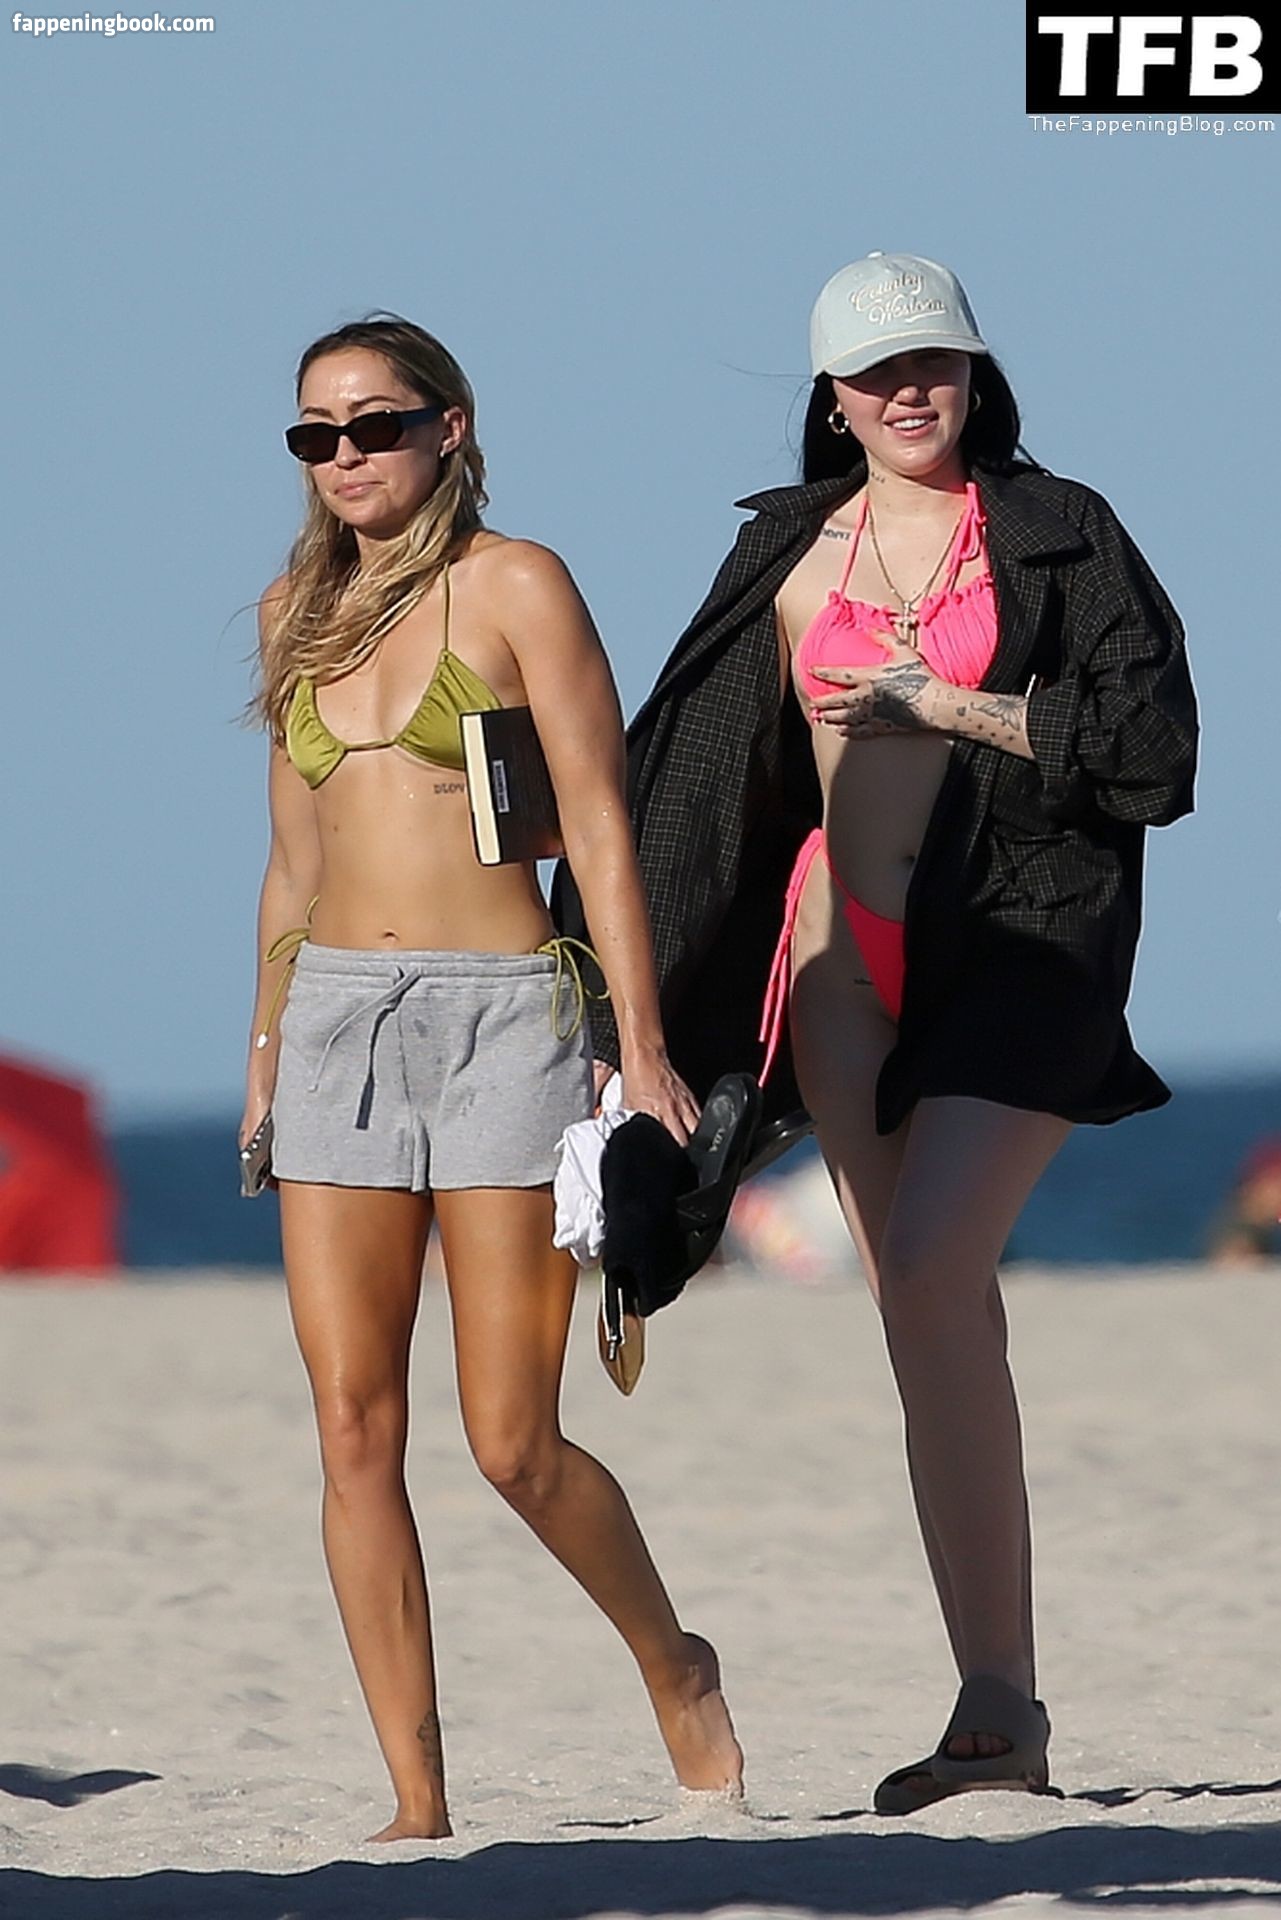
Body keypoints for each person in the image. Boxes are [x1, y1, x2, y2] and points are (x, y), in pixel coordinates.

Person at [554, 252, 1198, 1810]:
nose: (910, 391)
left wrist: (947, 705)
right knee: (929, 1323)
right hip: (837, 967)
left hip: (1020, 949)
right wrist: (624, 1016)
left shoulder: (1059, 532)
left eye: (934, 362)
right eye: (875, 371)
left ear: (975, 373)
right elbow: (682, 787)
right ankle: (1001, 1708)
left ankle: (992, 1696)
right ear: (831, 398)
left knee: (924, 1266)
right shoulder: (782, 552)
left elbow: (1151, 753)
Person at [242, 314, 742, 1840]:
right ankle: (417, 1801)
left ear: (448, 428)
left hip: (504, 1018)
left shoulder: (517, 584)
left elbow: (595, 822)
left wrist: (639, 1048)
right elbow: (291, 865)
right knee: (350, 1427)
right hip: (335, 1026)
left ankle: (673, 1662)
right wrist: (263, 1056)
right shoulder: (293, 612)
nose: (345, 458)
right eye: (316, 435)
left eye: (374, 426)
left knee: (512, 1439)